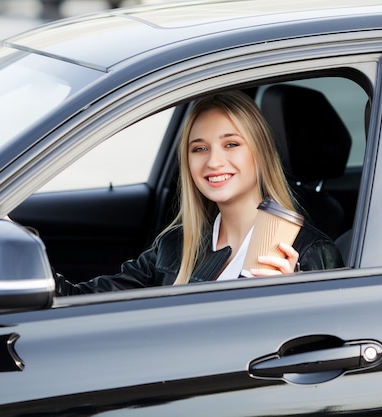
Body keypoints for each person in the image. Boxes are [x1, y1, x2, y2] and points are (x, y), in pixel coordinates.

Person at [54, 91, 343, 296]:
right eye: (199, 148)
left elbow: (323, 352)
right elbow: (80, 302)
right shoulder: (176, 245)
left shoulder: (309, 252)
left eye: (231, 144)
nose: (213, 161)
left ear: (261, 152)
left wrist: (292, 297)